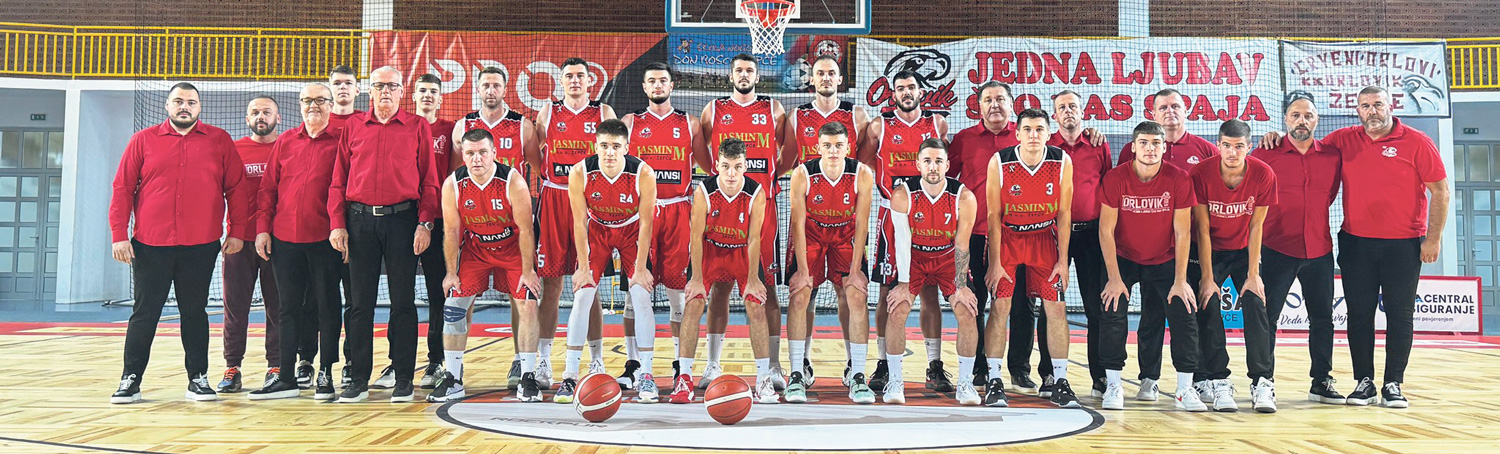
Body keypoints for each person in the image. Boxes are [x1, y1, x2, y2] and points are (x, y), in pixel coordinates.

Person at [1266, 85, 1449, 407]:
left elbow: (1441, 191)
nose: (1372, 111)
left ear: (1390, 106)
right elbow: (1305, 142)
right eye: (1365, 106)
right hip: (1356, 243)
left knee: (1400, 315)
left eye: (1377, 104)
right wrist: (1277, 137)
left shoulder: (1417, 142)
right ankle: (1364, 382)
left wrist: (1433, 239)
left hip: (1403, 245)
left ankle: (1393, 383)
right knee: (1359, 315)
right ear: (1358, 111)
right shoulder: (1343, 140)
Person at [109, 82, 252, 404]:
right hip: (150, 245)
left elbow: (237, 189)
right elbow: (122, 188)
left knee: (194, 312)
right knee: (144, 313)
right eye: (178, 101)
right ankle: (130, 379)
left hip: (200, 245)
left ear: (199, 107)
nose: (184, 106)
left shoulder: (219, 141)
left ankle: (198, 379)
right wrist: (119, 234)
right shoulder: (142, 141)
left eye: (190, 102)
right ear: (167, 106)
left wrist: (237, 231)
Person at [327, 66, 442, 403]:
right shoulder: (353, 126)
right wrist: (337, 223)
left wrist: (425, 223)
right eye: (380, 86)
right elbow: (338, 179)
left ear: (402, 91)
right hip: (359, 222)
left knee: (403, 302)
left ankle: (404, 378)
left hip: (403, 222)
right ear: (370, 91)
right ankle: (358, 379)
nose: (386, 92)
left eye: (392, 86)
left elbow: (430, 181)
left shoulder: (418, 126)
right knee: (359, 304)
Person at [426, 129, 544, 403]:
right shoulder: (453, 184)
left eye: (482, 152)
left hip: (512, 248)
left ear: (494, 153)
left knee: (528, 302)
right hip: (476, 250)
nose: (476, 158)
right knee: (453, 305)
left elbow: (526, 229)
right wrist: (451, 273)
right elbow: (452, 232)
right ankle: (453, 378)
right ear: (463, 155)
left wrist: (528, 272)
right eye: (470, 153)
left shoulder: (513, 181)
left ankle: (527, 376)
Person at [247, 83, 345, 401]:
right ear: (300, 105)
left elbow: (346, 189)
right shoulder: (286, 141)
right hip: (285, 239)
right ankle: (286, 377)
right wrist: (263, 229)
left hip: (326, 240)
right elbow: (268, 190)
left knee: (328, 307)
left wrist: (342, 230)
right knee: (287, 308)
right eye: (307, 100)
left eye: (320, 100)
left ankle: (326, 372)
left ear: (331, 105)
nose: (313, 105)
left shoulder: (342, 141)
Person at [1097, 121, 1204, 412]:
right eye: (1144, 143)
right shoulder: (1116, 178)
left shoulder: (1179, 178)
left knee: (1184, 312)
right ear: (1133, 147)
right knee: (1112, 311)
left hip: (1164, 259)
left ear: (1164, 148)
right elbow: (1106, 230)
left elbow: (1183, 232)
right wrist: (1114, 278)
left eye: (1156, 143)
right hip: (1124, 257)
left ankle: (1184, 388)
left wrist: (1180, 280)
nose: (1150, 148)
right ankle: (1114, 385)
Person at [1119, 89, 1217, 401]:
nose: (1169, 111)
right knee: (1151, 315)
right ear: (1153, 113)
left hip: (1190, 247)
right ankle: (1149, 378)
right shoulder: (1133, 151)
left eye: (1175, 105)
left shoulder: (1205, 150)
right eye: (1163, 107)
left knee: (1191, 313)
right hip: (1151, 251)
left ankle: (1198, 379)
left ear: (1186, 110)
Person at [780, 55, 871, 382]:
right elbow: (787, 157)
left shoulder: (856, 115)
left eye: (832, 72)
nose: (827, 77)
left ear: (840, 78)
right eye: (820, 73)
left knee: (849, 292)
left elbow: (865, 159)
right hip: (811, 215)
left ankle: (854, 367)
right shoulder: (797, 116)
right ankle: (801, 364)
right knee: (805, 291)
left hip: (844, 214)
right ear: (812, 79)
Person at [858, 69, 949, 392]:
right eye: (900, 88)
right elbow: (865, 161)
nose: (906, 92)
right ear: (893, 93)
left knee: (929, 292)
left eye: (911, 87)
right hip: (890, 216)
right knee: (887, 292)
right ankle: (884, 362)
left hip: (930, 214)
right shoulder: (879, 126)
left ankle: (935, 365)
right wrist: (892, 188)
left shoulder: (937, 123)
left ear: (921, 92)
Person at [981, 108, 1078, 408]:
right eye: (1027, 129)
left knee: (1056, 309)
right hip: (1009, 239)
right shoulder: (999, 162)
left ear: (1049, 133)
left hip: (1044, 239)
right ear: (1017, 133)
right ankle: (994, 379)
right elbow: (993, 215)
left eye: (1039, 129)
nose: (1033, 135)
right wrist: (995, 262)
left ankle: (1060, 380)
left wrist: (1062, 260)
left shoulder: (1062, 161)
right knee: (1000, 307)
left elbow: (1064, 213)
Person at [700, 53, 787, 390]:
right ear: (730, 75)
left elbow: (788, 152)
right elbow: (703, 153)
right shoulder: (714, 110)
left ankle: (774, 366)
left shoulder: (774, 109)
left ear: (758, 76)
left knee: (767, 289)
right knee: (719, 287)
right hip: (722, 207)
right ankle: (712, 364)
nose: (744, 74)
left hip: (763, 208)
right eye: (739, 70)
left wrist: (770, 178)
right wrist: (720, 177)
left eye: (750, 70)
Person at [557, 119, 660, 403]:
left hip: (631, 230)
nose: (610, 152)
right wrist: (583, 267)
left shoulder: (643, 173)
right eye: (604, 146)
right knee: (582, 295)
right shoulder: (580, 172)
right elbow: (579, 223)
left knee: (641, 295)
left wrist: (641, 268)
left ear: (627, 147)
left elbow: (647, 224)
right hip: (598, 230)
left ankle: (647, 375)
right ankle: (569, 375)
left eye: (616, 146)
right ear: (596, 146)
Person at [1252, 91, 1345, 405]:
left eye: (1308, 115)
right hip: (1276, 247)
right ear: (1285, 119)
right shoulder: (1264, 154)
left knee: (1323, 319)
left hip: (1319, 249)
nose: (1301, 121)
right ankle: (1262, 380)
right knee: (1268, 317)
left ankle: (1321, 380)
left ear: (1317, 120)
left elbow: (1329, 195)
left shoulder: (1332, 156)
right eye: (1295, 115)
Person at [452, 66, 542, 389]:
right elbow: (456, 177)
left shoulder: (522, 126)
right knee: (463, 296)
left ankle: (521, 360)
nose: (491, 90)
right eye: (486, 85)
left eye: (496, 85)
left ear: (505, 89)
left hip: (513, 228)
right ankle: (455, 368)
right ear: (478, 90)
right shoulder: (463, 126)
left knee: (522, 296)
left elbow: (538, 169)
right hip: (476, 227)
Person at [620, 62, 708, 390]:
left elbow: (708, 166)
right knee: (634, 294)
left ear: (672, 85)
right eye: (652, 81)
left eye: (663, 81)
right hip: (639, 214)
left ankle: (678, 364)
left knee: (677, 296)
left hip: (678, 212)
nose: (657, 85)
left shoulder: (690, 124)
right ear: (644, 87)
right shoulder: (630, 123)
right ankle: (633, 364)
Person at [535, 58, 619, 390]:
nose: (574, 81)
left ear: (589, 81)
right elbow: (536, 157)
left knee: (590, 283)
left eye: (580, 76)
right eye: (568, 76)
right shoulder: (548, 112)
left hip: (590, 200)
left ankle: (596, 359)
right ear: (561, 81)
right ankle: (543, 360)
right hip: (555, 199)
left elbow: (615, 156)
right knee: (552, 285)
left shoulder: (603, 113)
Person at [669, 138, 772, 403]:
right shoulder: (704, 191)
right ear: (716, 165)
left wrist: (753, 279)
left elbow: (754, 239)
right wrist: (696, 279)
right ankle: (684, 379)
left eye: (737, 167)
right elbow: (696, 236)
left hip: (741, 251)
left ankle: (763, 379)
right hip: (710, 250)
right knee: (694, 302)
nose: (731, 174)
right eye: (725, 166)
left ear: (745, 166)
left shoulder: (756, 193)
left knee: (756, 305)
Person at [783, 122, 877, 404]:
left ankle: (857, 373)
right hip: (811, 234)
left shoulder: (862, 173)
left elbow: (862, 224)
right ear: (818, 147)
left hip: (845, 235)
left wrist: (856, 270)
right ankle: (797, 371)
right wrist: (802, 270)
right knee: (800, 294)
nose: (833, 151)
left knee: (855, 295)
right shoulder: (802, 174)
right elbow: (797, 223)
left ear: (848, 147)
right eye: (827, 146)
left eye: (838, 145)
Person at [1190, 119, 1279, 413]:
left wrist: (1253, 274)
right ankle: (1218, 380)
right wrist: (1207, 277)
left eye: (1239, 146)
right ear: (1218, 145)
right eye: (1227, 146)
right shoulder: (1200, 173)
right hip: (1210, 250)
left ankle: (1262, 381)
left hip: (1243, 250)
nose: (1232, 152)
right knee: (1208, 302)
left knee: (1256, 302)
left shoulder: (1263, 174)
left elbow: (1256, 226)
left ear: (1249, 147)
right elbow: (1202, 229)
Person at [883, 139, 979, 405]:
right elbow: (902, 241)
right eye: (927, 161)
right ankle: (895, 381)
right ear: (918, 165)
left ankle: (965, 384)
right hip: (914, 257)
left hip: (947, 258)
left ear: (947, 165)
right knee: (898, 307)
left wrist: (961, 285)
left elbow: (962, 244)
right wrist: (903, 284)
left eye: (938, 161)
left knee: (966, 309)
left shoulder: (964, 197)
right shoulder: (903, 195)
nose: (933, 167)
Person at [1047, 90, 1112, 399]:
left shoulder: (1098, 145)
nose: (1068, 111)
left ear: (1083, 112)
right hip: (1053, 234)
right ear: (1055, 116)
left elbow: (1108, 188)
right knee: (1051, 305)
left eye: (1073, 106)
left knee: (1096, 308)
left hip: (1091, 235)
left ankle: (1100, 377)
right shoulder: (1046, 147)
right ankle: (1048, 375)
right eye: (1062, 107)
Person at [220, 95, 283, 394]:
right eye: (255, 112)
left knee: (278, 307)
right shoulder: (234, 150)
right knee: (235, 308)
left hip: (277, 241)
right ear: (247, 119)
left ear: (278, 118)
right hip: (239, 241)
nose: (261, 117)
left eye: (267, 112)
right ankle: (232, 367)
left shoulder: (287, 147)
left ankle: (276, 367)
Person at [411, 73, 457, 389]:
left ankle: (436, 361)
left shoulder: (450, 131)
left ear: (440, 98)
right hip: (404, 218)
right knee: (400, 295)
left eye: (433, 91)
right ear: (413, 96)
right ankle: (397, 363)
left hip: (439, 221)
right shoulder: (404, 127)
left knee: (438, 292)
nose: (427, 95)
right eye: (422, 90)